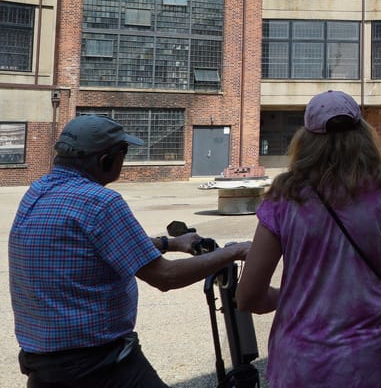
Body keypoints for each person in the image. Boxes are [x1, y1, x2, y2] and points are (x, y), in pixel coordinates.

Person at [9, 114, 251, 388]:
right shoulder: (101, 201)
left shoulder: (38, 191)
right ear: (105, 160)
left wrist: (170, 243)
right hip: (99, 365)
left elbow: (91, 245)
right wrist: (235, 251)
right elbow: (165, 276)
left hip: (43, 362)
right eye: (123, 153)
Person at [236, 90, 381, 388]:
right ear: (363, 137)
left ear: (305, 141)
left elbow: (248, 297)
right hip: (372, 363)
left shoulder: (284, 198)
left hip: (301, 365)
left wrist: (298, 298)